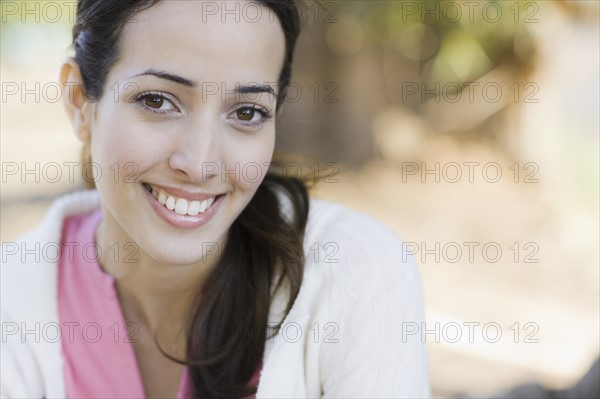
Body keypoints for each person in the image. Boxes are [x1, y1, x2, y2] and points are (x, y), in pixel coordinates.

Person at [0, 1, 429, 397]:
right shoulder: (13, 300)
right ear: (79, 101)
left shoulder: (356, 273)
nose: (201, 164)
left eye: (246, 112)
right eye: (157, 101)